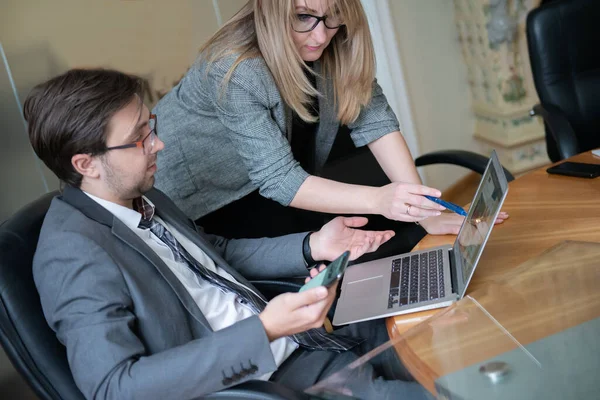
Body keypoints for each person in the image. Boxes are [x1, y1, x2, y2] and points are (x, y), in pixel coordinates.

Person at [26, 68, 431, 399]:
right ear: (86, 164)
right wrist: (265, 329)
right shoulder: (72, 253)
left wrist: (313, 246)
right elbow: (114, 388)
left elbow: (215, 253)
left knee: (434, 322)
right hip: (265, 382)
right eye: (139, 138)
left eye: (151, 126)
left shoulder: (140, 195)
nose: (159, 144)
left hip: (307, 342)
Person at [152, 0, 467, 255]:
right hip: (206, 195)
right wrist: (380, 200)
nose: (321, 36)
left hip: (271, 177)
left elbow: (376, 121)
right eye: (304, 16)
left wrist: (426, 211)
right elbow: (279, 179)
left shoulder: (338, 42)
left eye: (335, 15)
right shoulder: (236, 68)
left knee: (382, 241)